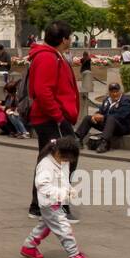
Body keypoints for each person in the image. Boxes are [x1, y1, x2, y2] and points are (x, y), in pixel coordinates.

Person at [26, 21, 81, 221]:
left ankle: (39, 206)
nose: (71, 40)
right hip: (51, 118)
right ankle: (55, 206)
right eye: (70, 36)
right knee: (63, 159)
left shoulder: (50, 55)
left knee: (49, 161)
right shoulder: (48, 58)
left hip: (51, 117)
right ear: (64, 39)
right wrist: (59, 118)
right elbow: (43, 91)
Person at [20, 136, 91, 258]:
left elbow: (63, 179)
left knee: (45, 226)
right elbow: (42, 185)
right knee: (63, 227)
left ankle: (29, 247)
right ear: (58, 153)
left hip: (54, 201)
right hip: (49, 202)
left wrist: (69, 189)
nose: (67, 161)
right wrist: (61, 193)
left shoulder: (61, 161)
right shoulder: (45, 165)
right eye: (66, 158)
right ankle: (74, 254)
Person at [76, 82, 130, 153]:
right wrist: (95, 115)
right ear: (109, 92)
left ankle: (104, 143)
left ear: (120, 91)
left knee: (111, 118)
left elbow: (121, 116)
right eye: (112, 92)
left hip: (121, 127)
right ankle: (78, 139)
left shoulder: (126, 101)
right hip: (107, 125)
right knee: (88, 118)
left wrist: (104, 117)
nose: (115, 94)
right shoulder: (107, 100)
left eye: (116, 91)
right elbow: (101, 111)